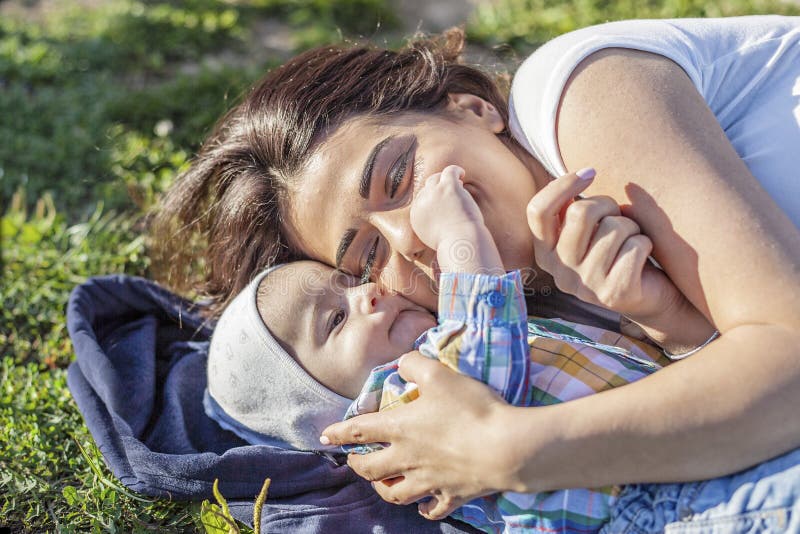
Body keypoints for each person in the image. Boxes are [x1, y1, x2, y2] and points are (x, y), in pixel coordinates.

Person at [153, 15, 800, 529]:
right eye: (368, 259)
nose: (411, 237)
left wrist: (508, 452)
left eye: (398, 177)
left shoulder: (580, 96)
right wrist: (673, 327)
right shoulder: (556, 301)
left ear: (470, 108)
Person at [203, 165, 671, 533]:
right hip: (651, 509)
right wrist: (458, 238)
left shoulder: (439, 345)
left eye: (350, 283)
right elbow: (484, 366)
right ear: (321, 405)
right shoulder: (399, 413)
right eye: (336, 319)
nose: (366, 294)